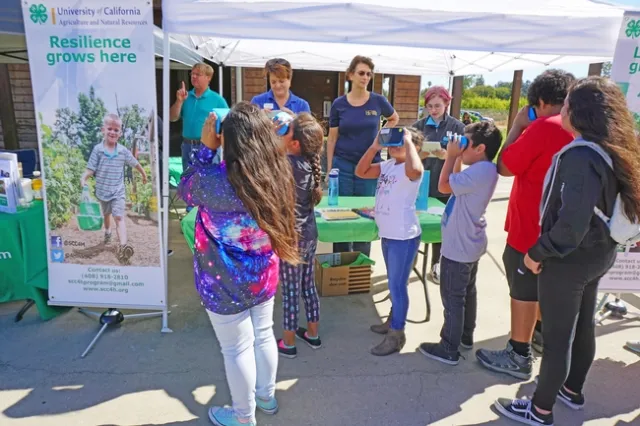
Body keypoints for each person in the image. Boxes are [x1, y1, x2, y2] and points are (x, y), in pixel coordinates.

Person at [495, 76, 640, 426]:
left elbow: (570, 223)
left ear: (581, 111)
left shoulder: (580, 155)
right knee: (583, 326)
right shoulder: (612, 148)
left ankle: (540, 409)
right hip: (598, 253)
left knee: (558, 339)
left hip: (569, 258)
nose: (564, 110)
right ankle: (572, 391)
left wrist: (539, 252)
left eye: (570, 104)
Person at [178, 102, 299, 426]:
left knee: (236, 349)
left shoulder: (215, 182)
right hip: (263, 277)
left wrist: (206, 148)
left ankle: (244, 418)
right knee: (263, 335)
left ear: (227, 139)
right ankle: (266, 397)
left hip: (223, 283)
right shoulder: (277, 174)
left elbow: (185, 187)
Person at [475, 70, 575, 380]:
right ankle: (541, 335)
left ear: (541, 102)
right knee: (547, 287)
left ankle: (519, 353)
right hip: (563, 229)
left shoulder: (544, 127)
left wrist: (519, 124)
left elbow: (505, 166)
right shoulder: (582, 128)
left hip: (531, 227)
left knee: (524, 289)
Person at [418, 122, 502, 365]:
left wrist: (451, 156)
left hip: (460, 245)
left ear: (480, 148)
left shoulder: (480, 171)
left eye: (466, 143)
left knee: (453, 297)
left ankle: (448, 347)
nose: (460, 147)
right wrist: (456, 157)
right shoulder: (483, 169)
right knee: (467, 292)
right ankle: (464, 336)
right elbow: (455, 179)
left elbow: (444, 186)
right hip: (468, 241)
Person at [356, 127, 424, 356]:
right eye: (394, 141)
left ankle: (397, 334)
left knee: (397, 286)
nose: (396, 145)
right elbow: (361, 171)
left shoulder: (411, 168)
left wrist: (408, 141)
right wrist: (376, 146)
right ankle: (393, 320)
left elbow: (415, 169)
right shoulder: (387, 165)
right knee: (396, 284)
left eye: (401, 141)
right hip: (389, 234)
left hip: (403, 236)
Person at [327, 55, 399, 257]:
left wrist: (381, 137)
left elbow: (394, 118)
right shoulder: (339, 104)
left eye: (368, 74)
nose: (365, 77)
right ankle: (340, 263)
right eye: (361, 73)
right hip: (343, 166)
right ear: (350, 75)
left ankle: (362, 263)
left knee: (366, 216)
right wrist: (330, 168)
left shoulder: (378, 101)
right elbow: (332, 138)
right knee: (340, 217)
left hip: (370, 168)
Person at [276, 113, 324, 359]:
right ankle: (313, 335)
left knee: (290, 291)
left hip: (291, 239)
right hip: (308, 235)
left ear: (295, 144)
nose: (281, 133)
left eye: (287, 131)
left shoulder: (287, 164)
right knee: (308, 286)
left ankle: (288, 342)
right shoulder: (307, 163)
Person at [413, 86, 465, 284]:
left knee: (440, 226)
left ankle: (436, 263)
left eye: (437, 106)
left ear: (447, 104)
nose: (433, 110)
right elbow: (407, 156)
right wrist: (421, 154)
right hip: (420, 183)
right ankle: (413, 255)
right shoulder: (418, 125)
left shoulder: (457, 127)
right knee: (415, 221)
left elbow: (462, 156)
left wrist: (449, 156)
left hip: (444, 184)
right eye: (429, 106)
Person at [80, 113, 147, 265]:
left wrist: (143, 174)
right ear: (103, 130)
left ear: (120, 133)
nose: (112, 132)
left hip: (118, 191)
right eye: (110, 128)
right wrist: (84, 178)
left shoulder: (123, 151)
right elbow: (90, 169)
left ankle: (123, 247)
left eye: (116, 130)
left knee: (119, 217)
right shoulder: (98, 150)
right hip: (102, 192)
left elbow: (134, 163)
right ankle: (107, 232)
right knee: (106, 215)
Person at [169, 63, 228, 178]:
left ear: (208, 77)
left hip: (207, 147)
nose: (193, 77)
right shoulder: (186, 97)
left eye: (198, 74)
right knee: (189, 184)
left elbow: (227, 124)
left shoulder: (217, 100)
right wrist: (179, 101)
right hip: (187, 145)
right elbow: (172, 117)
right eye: (192, 74)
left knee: (209, 182)